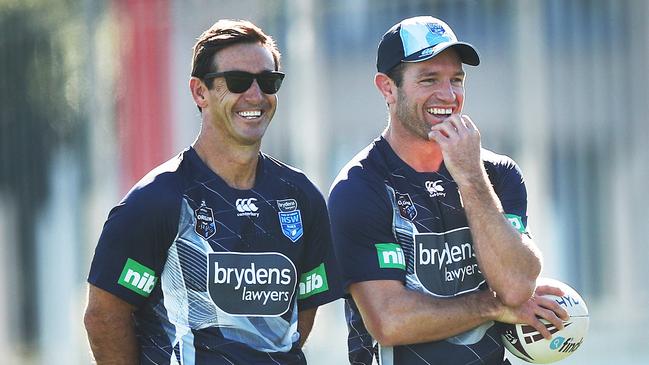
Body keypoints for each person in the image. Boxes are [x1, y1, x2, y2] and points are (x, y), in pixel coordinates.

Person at [84, 19, 341, 365]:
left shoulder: (301, 196)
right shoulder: (157, 200)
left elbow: (301, 316)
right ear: (199, 92)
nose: (255, 95)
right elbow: (104, 317)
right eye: (237, 81)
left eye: (268, 82)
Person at [328, 16, 568, 365]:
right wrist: (492, 305)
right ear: (387, 88)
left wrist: (470, 177)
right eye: (429, 79)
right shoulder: (360, 187)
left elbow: (517, 285)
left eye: (456, 79)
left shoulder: (495, 175)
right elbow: (389, 321)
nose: (448, 95)